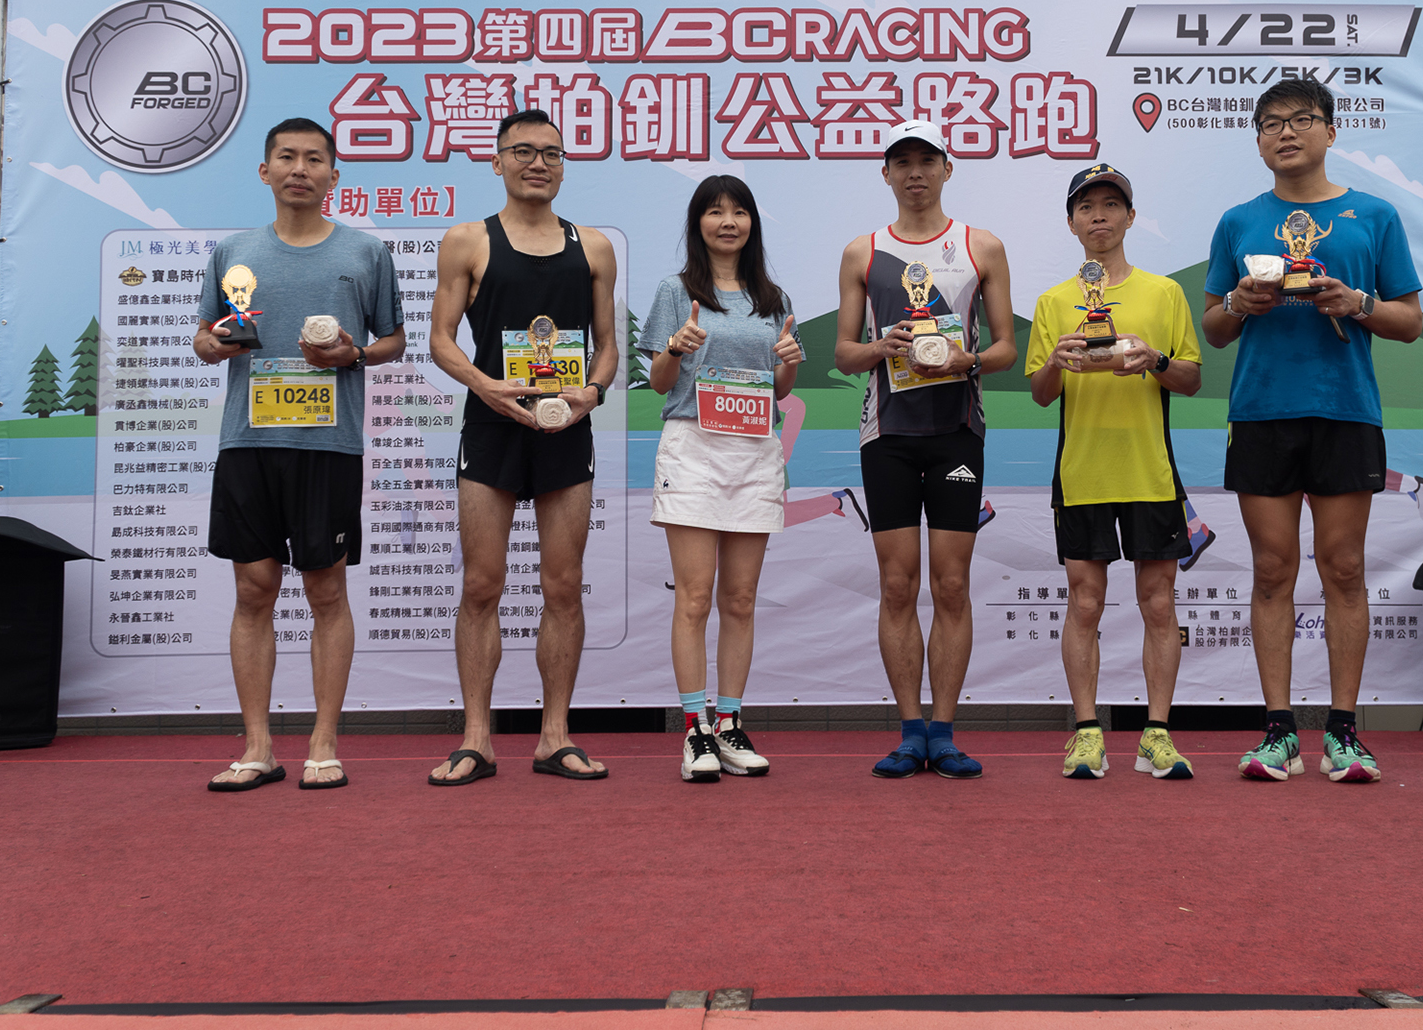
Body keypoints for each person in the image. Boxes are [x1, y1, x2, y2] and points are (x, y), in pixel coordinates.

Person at [1200, 79, 1423, 784]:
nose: (1286, 133)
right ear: (1258, 141)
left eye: (1302, 119)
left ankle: (1344, 732)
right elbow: (1214, 329)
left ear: (1330, 130)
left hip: (1344, 409)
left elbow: (1410, 323)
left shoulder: (1374, 215)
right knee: (1272, 570)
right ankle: (1278, 732)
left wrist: (1357, 302)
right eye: (1271, 124)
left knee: (1344, 568)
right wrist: (1241, 301)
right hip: (1261, 411)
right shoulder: (1238, 221)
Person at [195, 118, 406, 793]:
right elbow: (204, 337)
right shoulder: (234, 253)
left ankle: (323, 742)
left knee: (326, 590)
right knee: (253, 589)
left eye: (315, 159)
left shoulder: (366, 252)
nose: (300, 169)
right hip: (247, 441)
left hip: (329, 445)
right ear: (265, 171)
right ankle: (257, 746)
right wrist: (215, 344)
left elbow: (393, 341)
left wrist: (353, 354)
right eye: (286, 157)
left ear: (333, 176)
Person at [426, 109, 620, 785]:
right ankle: (476, 739)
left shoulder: (594, 247)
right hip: (491, 427)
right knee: (482, 584)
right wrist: (486, 386)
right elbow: (441, 338)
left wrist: (592, 392)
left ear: (564, 166)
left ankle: (554, 736)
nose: (539, 163)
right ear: (498, 161)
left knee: (563, 586)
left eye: (552, 154)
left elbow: (606, 345)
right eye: (524, 151)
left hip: (568, 427)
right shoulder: (467, 240)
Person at [834, 119, 1017, 779]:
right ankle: (910, 731)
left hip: (956, 431)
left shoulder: (980, 246)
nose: (915, 173)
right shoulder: (862, 251)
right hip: (887, 434)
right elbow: (845, 353)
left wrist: (967, 360)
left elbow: (1006, 348)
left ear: (947, 168)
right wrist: (880, 348)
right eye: (902, 162)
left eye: (927, 160)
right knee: (896, 584)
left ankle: (944, 730)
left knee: (952, 584)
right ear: (885, 173)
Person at [1026, 164, 1203, 781]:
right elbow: (1041, 394)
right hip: (1083, 472)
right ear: (1071, 223)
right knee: (1085, 602)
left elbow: (1191, 378)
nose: (1098, 216)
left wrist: (1155, 359)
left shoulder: (1165, 293)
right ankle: (1086, 734)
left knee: (1158, 601)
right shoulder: (1053, 302)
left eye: (1110, 205)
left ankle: (1156, 734)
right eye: (1086, 207)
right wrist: (1056, 360)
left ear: (1130, 216)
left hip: (1150, 470)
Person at [638, 175, 804, 782]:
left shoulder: (774, 297)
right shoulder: (676, 290)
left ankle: (730, 723)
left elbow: (779, 389)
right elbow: (658, 383)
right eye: (714, 211)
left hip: (755, 452)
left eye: (738, 211)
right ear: (698, 223)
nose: (727, 221)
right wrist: (675, 348)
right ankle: (694, 729)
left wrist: (788, 364)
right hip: (693, 449)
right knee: (695, 597)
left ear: (752, 223)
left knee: (740, 599)